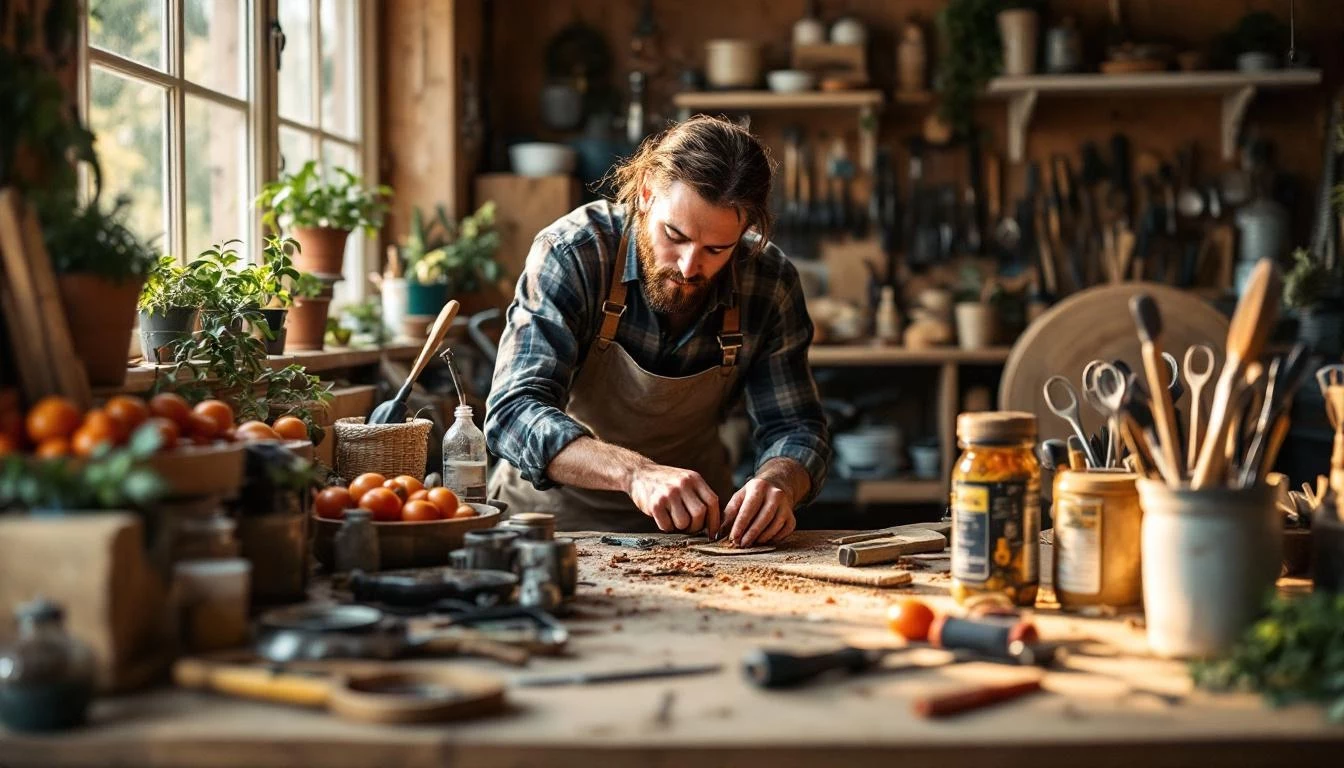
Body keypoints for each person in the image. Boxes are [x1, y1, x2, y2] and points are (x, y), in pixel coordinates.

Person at [485, 115, 830, 547]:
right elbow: (513, 412)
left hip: (694, 536)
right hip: (550, 527)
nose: (689, 267)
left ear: (746, 231)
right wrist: (635, 474)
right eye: (675, 235)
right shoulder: (575, 253)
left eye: (716, 249)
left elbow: (796, 427)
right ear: (647, 192)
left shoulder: (767, 282)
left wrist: (780, 481)